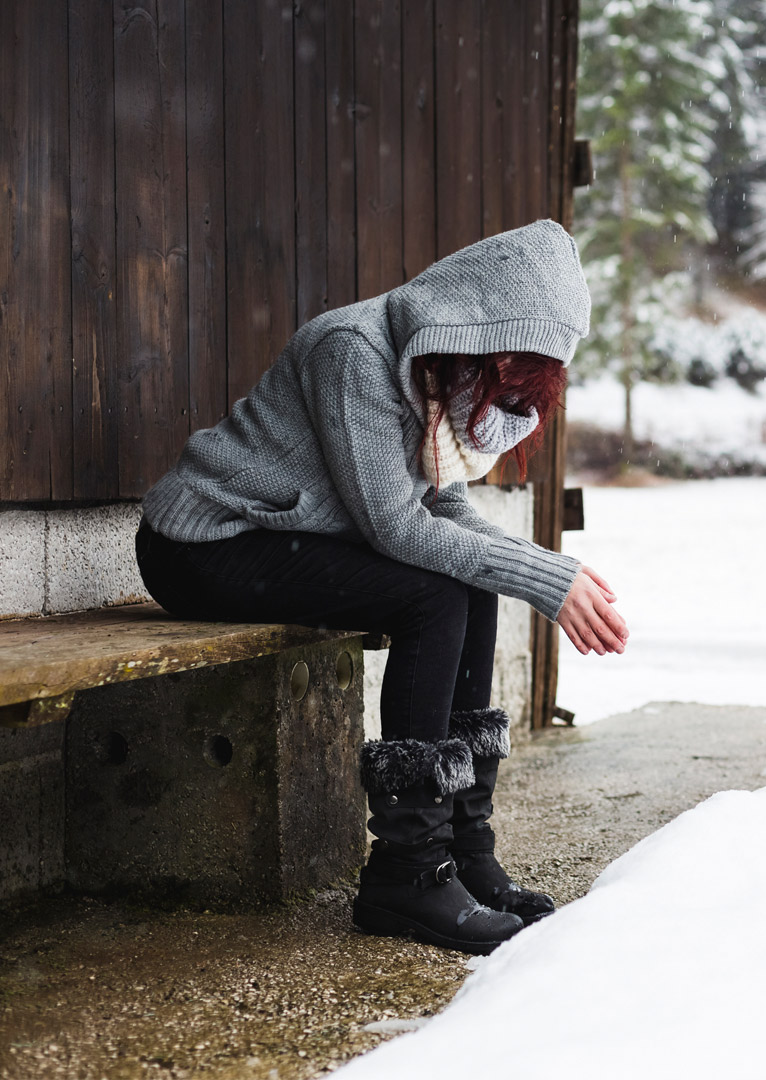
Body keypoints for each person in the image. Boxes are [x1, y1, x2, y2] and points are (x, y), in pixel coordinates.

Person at [134, 219, 628, 955]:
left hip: (288, 539)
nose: (506, 408)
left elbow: (444, 507)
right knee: (431, 592)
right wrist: (547, 579)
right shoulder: (355, 352)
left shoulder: (436, 375)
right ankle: (407, 873)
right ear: (480, 326)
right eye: (509, 378)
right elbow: (399, 529)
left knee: (467, 578)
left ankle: (464, 848)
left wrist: (543, 568)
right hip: (205, 543)